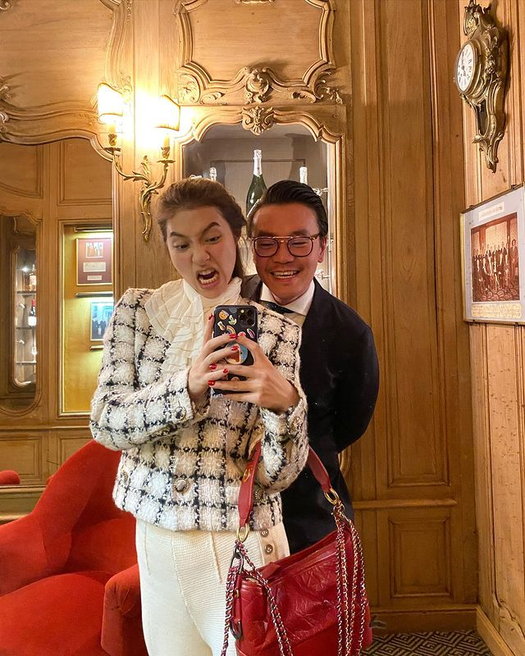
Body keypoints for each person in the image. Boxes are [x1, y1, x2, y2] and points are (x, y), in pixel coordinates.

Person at [90, 177, 308, 656]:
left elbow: (278, 477)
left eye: (212, 237)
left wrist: (285, 407)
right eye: (181, 244)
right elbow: (105, 422)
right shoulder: (138, 314)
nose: (200, 256)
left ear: (236, 237)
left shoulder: (277, 330)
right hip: (157, 537)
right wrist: (186, 388)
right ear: (167, 247)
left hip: (241, 539)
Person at [242, 180, 379, 553]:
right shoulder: (228, 304)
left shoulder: (351, 333)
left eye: (299, 242)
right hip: (228, 521)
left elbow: (348, 427)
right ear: (253, 248)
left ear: (322, 247)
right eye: (267, 243)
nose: (282, 257)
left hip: (307, 520)